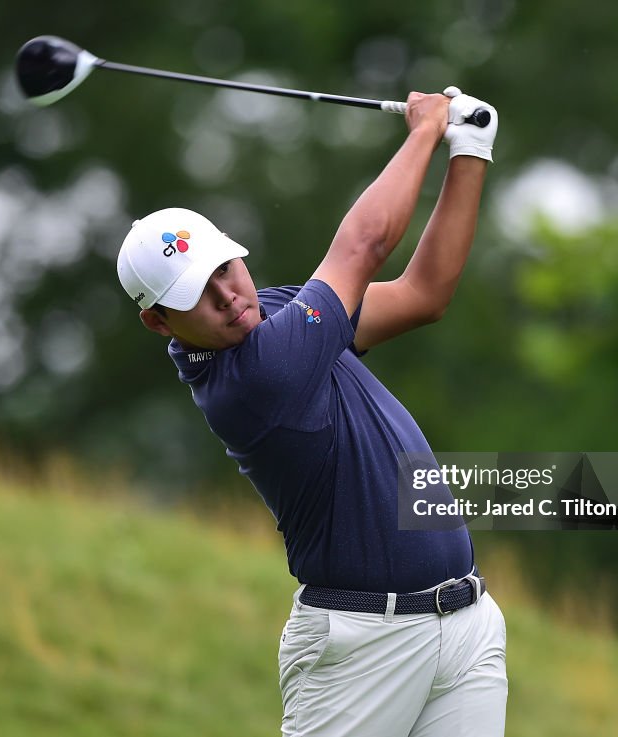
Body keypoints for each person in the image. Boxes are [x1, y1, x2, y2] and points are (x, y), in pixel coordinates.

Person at [117, 86, 506, 737]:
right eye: (197, 293)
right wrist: (423, 132)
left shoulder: (275, 312)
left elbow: (422, 294)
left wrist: (468, 149)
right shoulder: (255, 377)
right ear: (159, 322)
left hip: (465, 625)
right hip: (360, 649)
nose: (228, 296)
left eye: (224, 268)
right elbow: (362, 247)